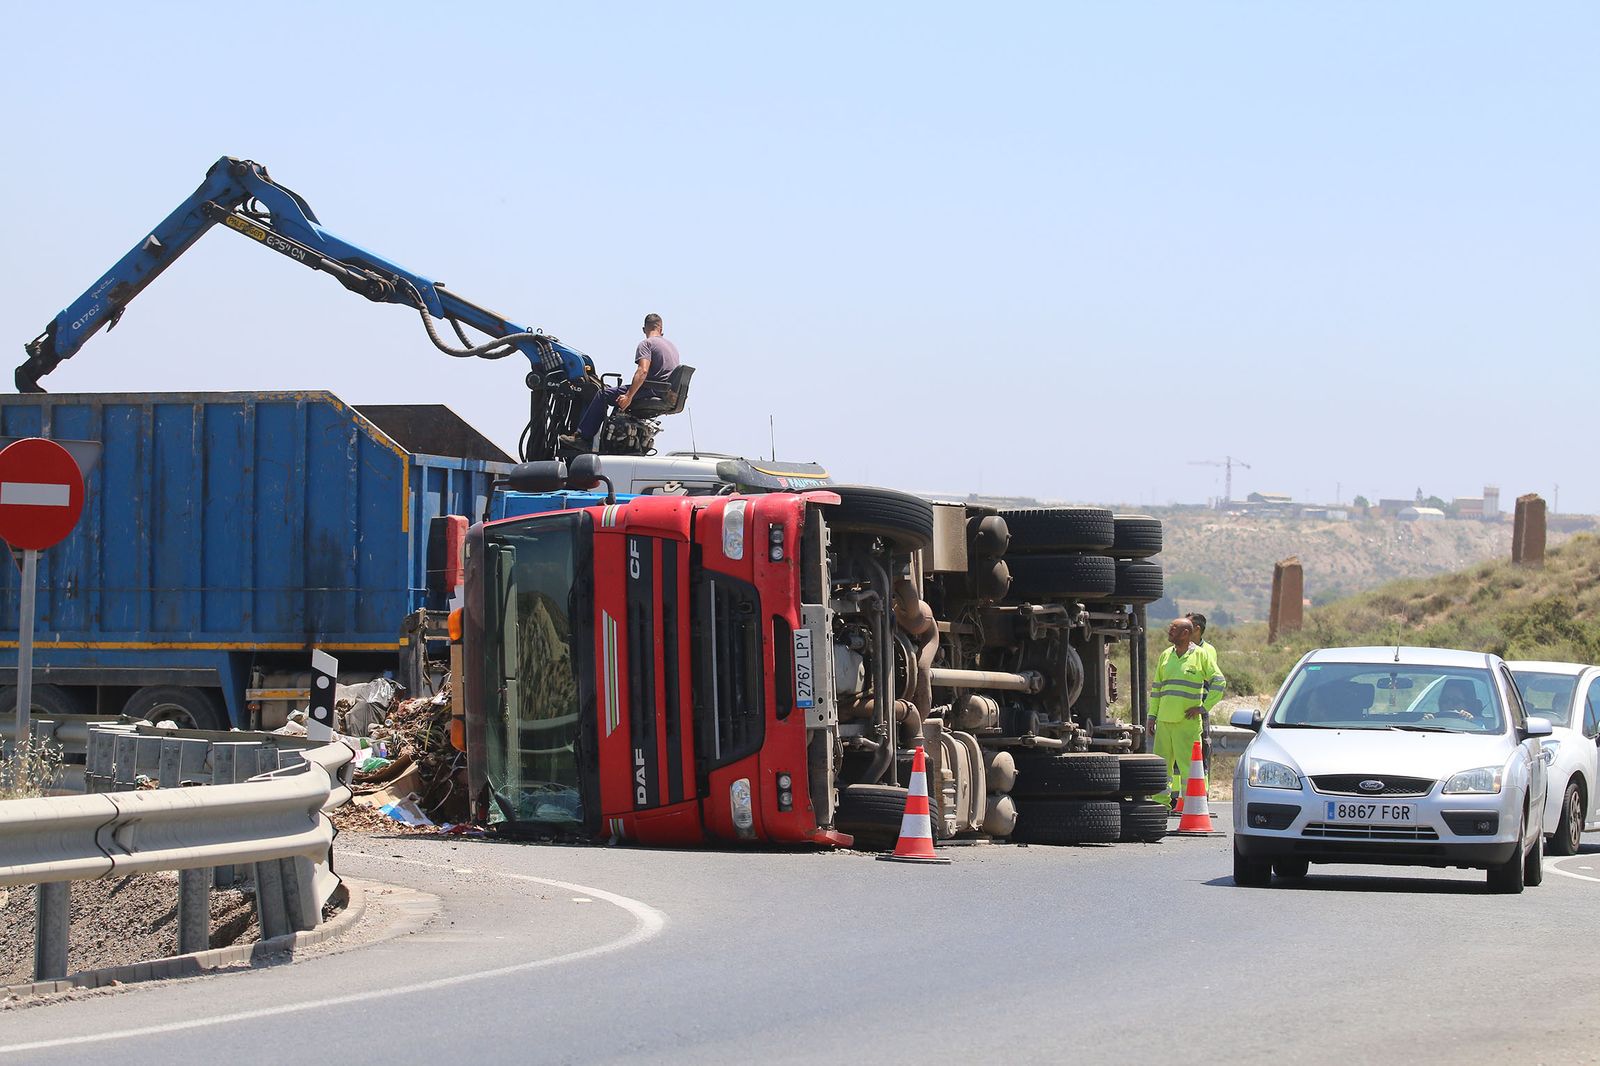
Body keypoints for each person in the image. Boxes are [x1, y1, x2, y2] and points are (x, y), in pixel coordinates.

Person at [569, 313, 681, 449]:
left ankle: (582, 438)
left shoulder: (647, 344)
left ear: (644, 329)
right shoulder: (672, 347)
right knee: (617, 399)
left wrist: (628, 396)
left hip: (651, 390)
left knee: (603, 394)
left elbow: (642, 371)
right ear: (661, 329)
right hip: (664, 393)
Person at [1148, 618, 1225, 810]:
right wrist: (1152, 715)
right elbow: (1157, 688)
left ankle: (1194, 806)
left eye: (1174, 628)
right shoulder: (1166, 655)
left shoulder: (1200, 655)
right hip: (1164, 722)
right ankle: (1160, 804)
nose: (1169, 631)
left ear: (1185, 633)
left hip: (1186, 723)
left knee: (1189, 767)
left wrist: (1204, 707)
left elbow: (1219, 681)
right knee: (1161, 768)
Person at [1186, 612, 1227, 769]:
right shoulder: (1179, 649)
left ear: (1197, 629)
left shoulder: (1207, 650)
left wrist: (1203, 708)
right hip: (1181, 707)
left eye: (1187, 625)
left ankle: (1203, 779)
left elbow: (1207, 677)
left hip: (1198, 706)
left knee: (1201, 744)